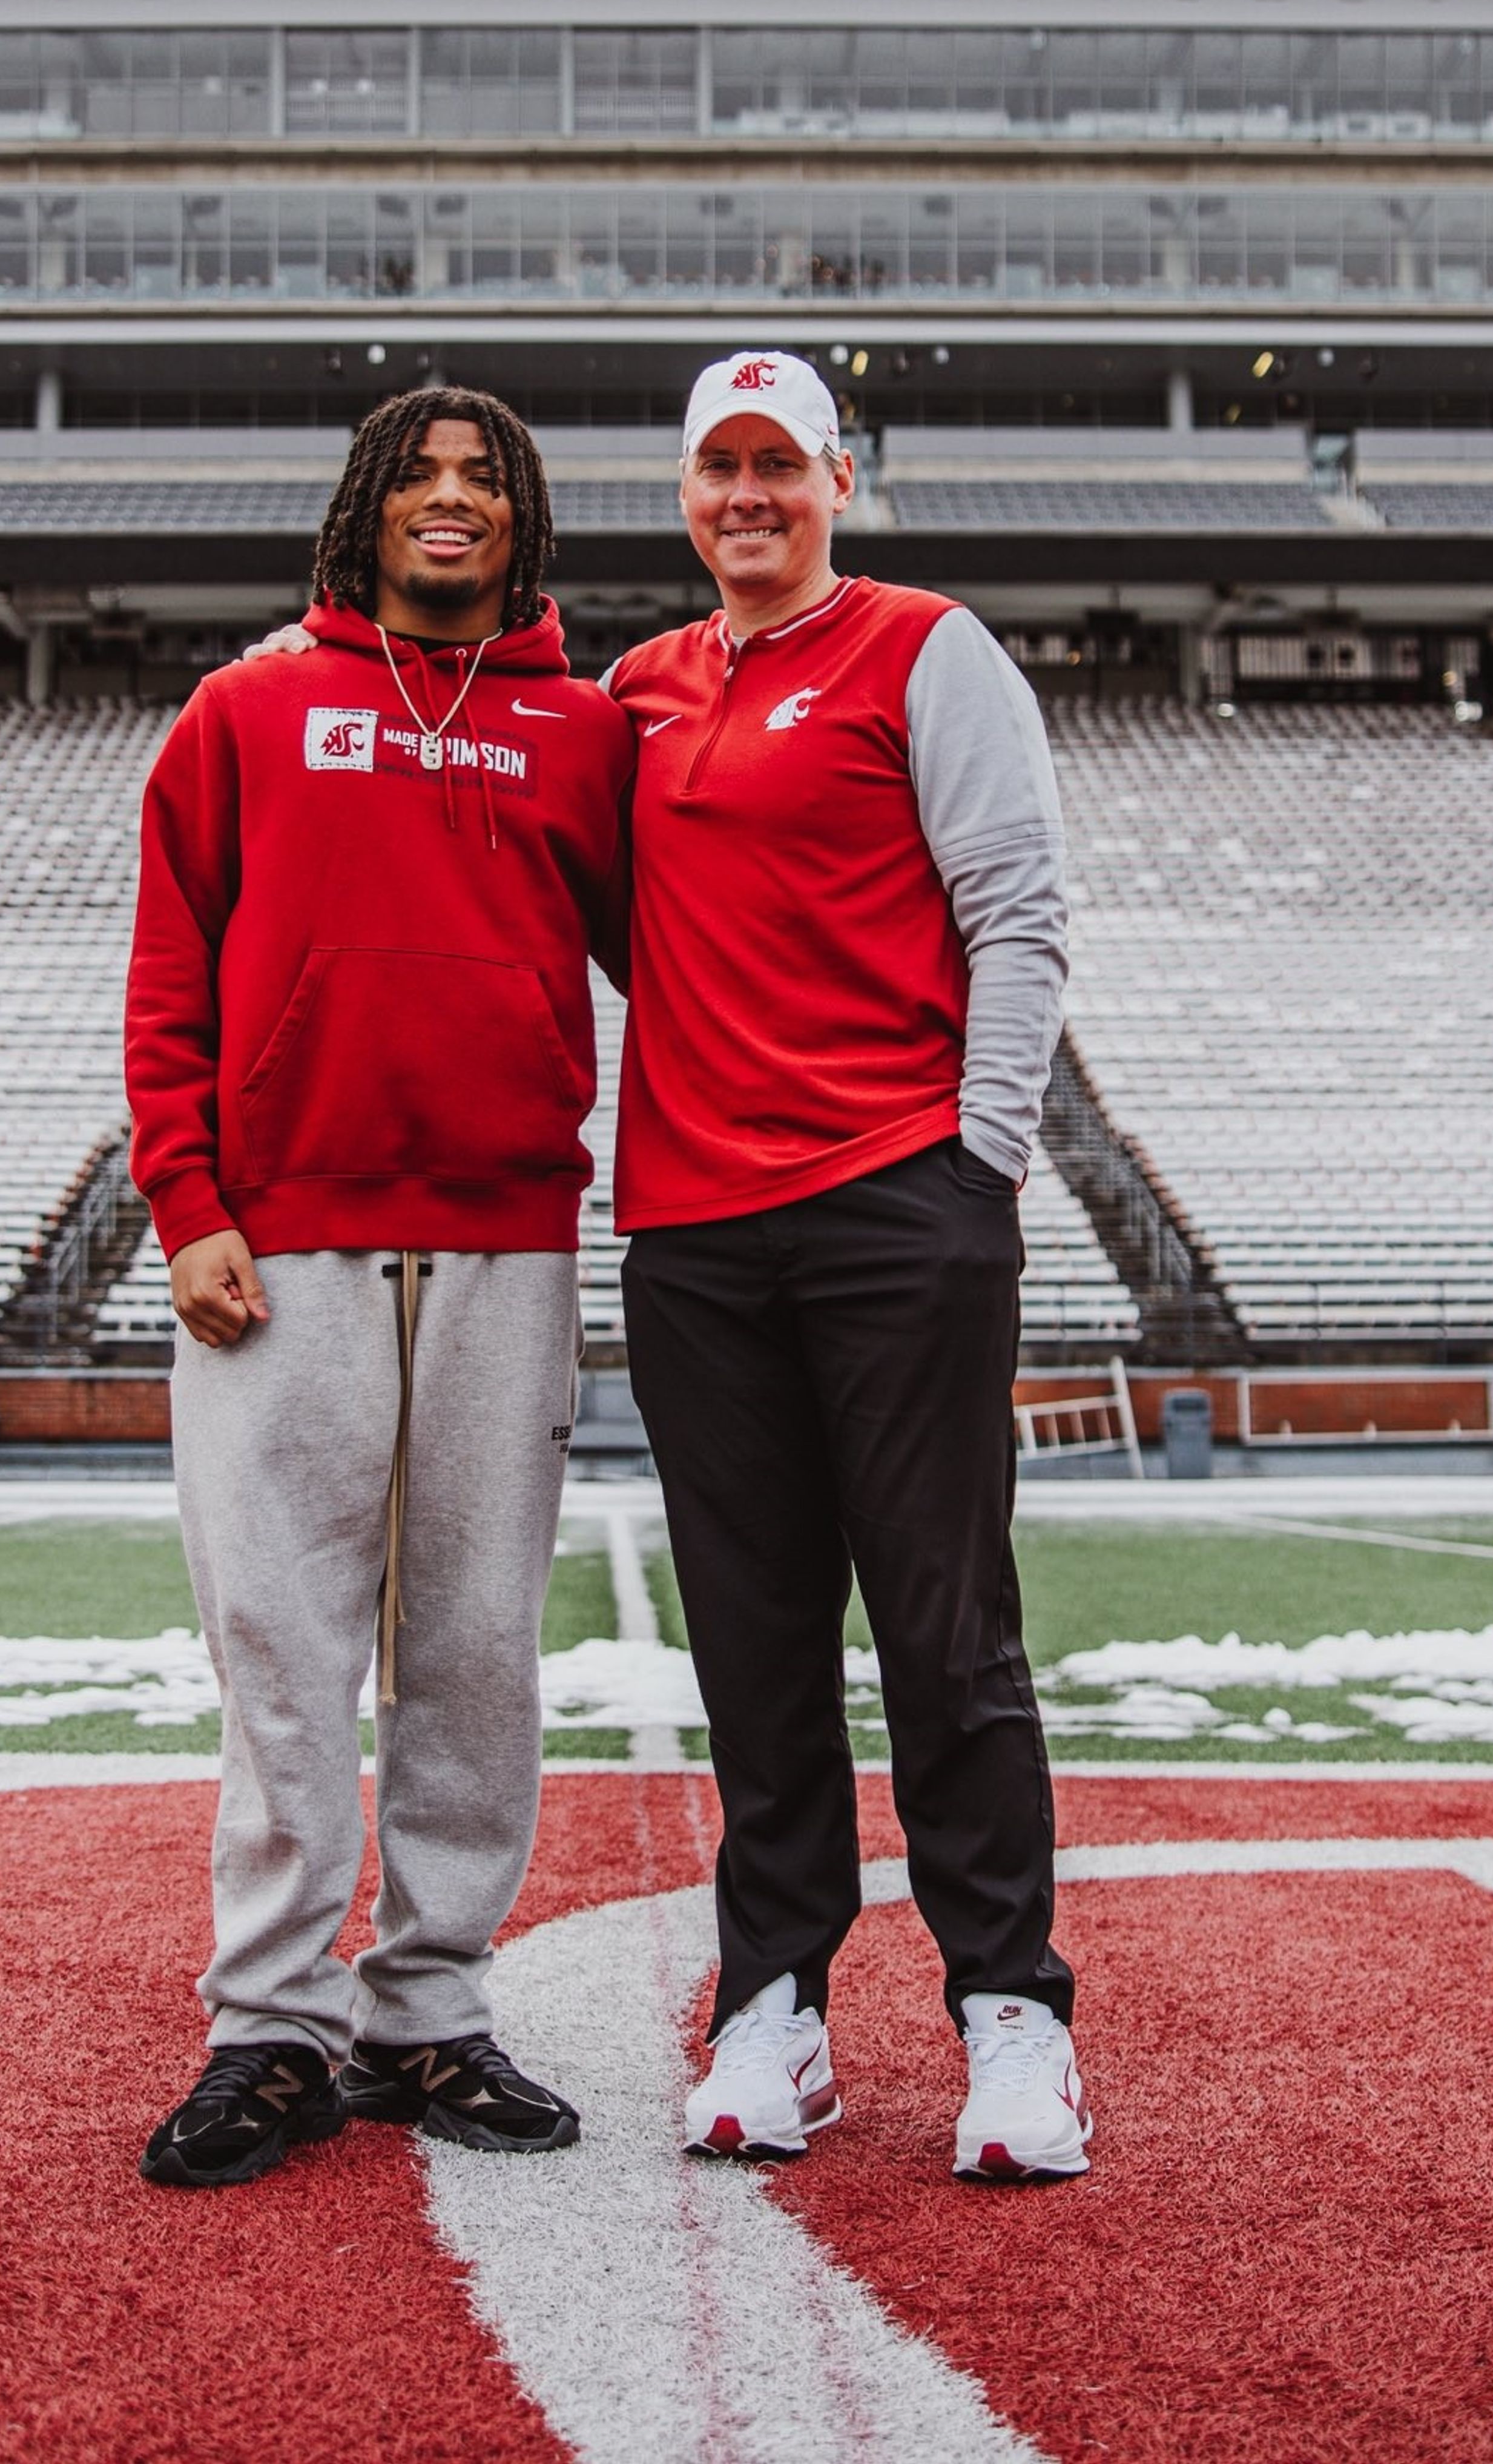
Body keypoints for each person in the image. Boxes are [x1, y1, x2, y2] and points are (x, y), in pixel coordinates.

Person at [125, 386, 633, 2190]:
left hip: (507, 1235)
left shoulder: (585, 733)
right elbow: (172, 964)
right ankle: (269, 2025)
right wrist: (188, 1200)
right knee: (282, 1642)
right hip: (286, 1242)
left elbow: (695, 951)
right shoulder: (248, 711)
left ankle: (428, 2010)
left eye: (484, 479)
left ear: (526, 522)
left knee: (478, 1645)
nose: (448, 500)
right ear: (363, 505)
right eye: (416, 474)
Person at [608, 351, 1089, 2184]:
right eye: (718, 466)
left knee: (947, 1628)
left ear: (839, 477)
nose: (749, 494)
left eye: (781, 465)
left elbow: (1018, 909)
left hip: (900, 1201)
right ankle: (774, 2005)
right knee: (754, 1639)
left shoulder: (925, 646)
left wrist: (977, 1165)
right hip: (699, 1232)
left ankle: (1010, 2014)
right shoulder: (636, 693)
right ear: (685, 492)